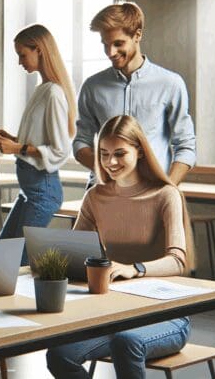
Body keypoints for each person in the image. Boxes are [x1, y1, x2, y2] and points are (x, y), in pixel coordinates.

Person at [46, 114, 193, 379]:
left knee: (127, 341)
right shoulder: (95, 196)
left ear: (139, 151)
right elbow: (74, 253)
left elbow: (177, 261)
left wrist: (134, 269)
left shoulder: (166, 194)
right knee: (60, 353)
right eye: (104, 154)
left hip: (167, 315)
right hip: (115, 312)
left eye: (119, 153)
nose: (110, 162)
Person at [72, 1, 196, 185]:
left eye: (118, 43)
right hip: (103, 191)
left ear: (137, 35)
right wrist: (107, 172)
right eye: (105, 44)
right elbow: (81, 142)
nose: (110, 52)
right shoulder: (92, 87)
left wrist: (167, 188)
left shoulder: (170, 84)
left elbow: (186, 145)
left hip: (152, 191)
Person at [0, 24, 77, 264]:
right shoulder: (43, 89)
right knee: (2, 253)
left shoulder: (53, 93)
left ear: (39, 50)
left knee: (17, 262)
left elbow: (60, 150)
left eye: (22, 55)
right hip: (30, 191)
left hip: (42, 192)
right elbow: (41, 140)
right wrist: (13, 139)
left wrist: (16, 148)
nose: (20, 62)